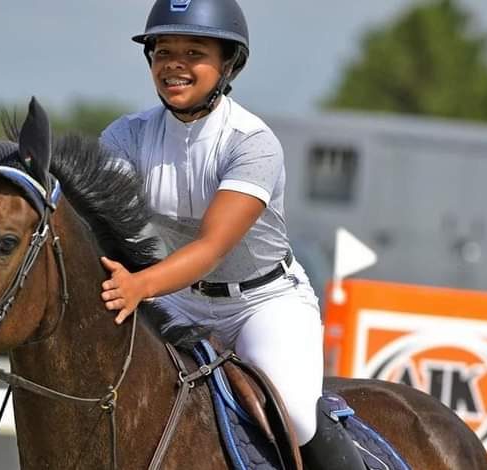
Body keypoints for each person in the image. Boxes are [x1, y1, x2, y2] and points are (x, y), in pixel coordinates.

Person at [99, 0, 365, 468]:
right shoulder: (125, 136)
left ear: (228, 65)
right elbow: (102, 224)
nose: (174, 65)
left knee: (298, 417)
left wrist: (139, 285)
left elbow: (212, 246)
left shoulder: (251, 142)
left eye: (193, 53)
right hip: (176, 297)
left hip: (260, 302)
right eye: (163, 52)